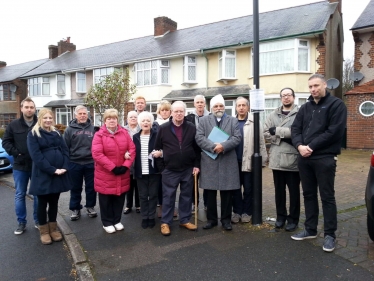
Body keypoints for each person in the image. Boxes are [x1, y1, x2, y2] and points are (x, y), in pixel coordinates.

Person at [291, 74, 347, 252]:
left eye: (316, 85)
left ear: (325, 85)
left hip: (324, 158)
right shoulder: (305, 108)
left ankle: (330, 234)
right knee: (308, 195)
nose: (313, 89)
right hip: (304, 158)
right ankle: (310, 229)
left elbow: (335, 131)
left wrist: (311, 146)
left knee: (327, 197)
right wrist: (299, 146)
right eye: (310, 87)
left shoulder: (336, 105)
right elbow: (295, 129)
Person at [154, 101, 201, 236]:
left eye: (181, 111)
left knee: (186, 196)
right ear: (171, 113)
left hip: (188, 168)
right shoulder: (164, 128)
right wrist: (162, 169)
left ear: (184, 112)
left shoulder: (191, 127)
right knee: (168, 196)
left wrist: (196, 165)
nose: (179, 114)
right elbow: (157, 149)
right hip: (170, 170)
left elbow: (197, 149)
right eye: (176, 111)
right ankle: (165, 222)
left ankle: (184, 219)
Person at [195, 94, 241, 231]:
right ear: (211, 108)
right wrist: (213, 147)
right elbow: (199, 137)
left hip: (227, 160)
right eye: (216, 106)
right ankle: (211, 220)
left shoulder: (233, 121)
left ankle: (226, 220)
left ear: (224, 107)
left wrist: (223, 146)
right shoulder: (203, 121)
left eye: (221, 105)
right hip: (209, 160)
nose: (218, 108)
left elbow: (237, 138)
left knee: (227, 192)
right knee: (210, 193)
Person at [27, 108, 72, 245]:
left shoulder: (57, 133)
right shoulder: (33, 134)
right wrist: (52, 170)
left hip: (59, 173)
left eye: (50, 118)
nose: (48, 120)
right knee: (42, 203)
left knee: (54, 202)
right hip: (43, 174)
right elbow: (36, 156)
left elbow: (65, 150)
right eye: (45, 118)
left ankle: (53, 229)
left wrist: (64, 166)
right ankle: (44, 231)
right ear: (40, 118)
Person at [91, 109, 135, 234]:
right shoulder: (99, 135)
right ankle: (107, 222)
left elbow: (132, 149)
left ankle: (117, 220)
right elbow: (97, 154)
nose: (112, 120)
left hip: (122, 172)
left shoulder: (124, 133)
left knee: (119, 198)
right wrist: (113, 167)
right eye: (109, 118)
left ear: (117, 120)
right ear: (105, 120)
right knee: (106, 200)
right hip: (106, 173)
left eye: (114, 118)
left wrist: (125, 166)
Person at [264, 88, 300, 232]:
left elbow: (299, 132)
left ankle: (293, 219)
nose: (286, 98)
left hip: (293, 159)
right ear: (280, 98)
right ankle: (280, 217)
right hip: (276, 159)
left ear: (293, 97)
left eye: (288, 95)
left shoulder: (300, 114)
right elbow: (266, 133)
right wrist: (283, 137)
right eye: (283, 95)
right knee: (279, 192)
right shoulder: (273, 114)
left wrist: (277, 131)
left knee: (294, 192)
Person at [2, 97, 39, 235]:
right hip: (20, 166)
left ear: (34, 109)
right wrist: (16, 153)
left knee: (37, 195)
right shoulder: (13, 125)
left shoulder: (39, 124)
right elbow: (6, 142)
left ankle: (38, 220)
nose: (29, 109)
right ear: (21, 108)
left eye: (31, 107)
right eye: (27, 107)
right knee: (19, 194)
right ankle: (21, 222)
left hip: (37, 166)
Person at [232, 97, 267, 224]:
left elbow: (261, 142)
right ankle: (237, 212)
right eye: (238, 105)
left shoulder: (254, 121)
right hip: (233, 162)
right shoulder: (231, 122)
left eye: (243, 105)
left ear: (248, 107)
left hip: (249, 162)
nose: (241, 107)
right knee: (235, 189)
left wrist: (262, 161)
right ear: (236, 107)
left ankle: (247, 212)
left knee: (248, 189)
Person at [64, 105, 97, 221]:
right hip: (74, 162)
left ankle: (90, 206)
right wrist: (66, 163)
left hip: (90, 162)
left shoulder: (93, 129)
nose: (82, 116)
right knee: (75, 187)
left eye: (84, 114)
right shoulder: (69, 130)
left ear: (87, 115)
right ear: (75, 115)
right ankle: (75, 208)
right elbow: (65, 148)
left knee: (91, 187)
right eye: (80, 114)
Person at [133, 112, 161, 229]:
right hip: (140, 171)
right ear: (139, 123)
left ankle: (151, 216)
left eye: (148, 120)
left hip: (154, 171)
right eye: (143, 121)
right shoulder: (135, 137)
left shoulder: (157, 135)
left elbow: (163, 148)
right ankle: (145, 217)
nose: (145, 123)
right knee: (143, 196)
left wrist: (160, 153)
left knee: (153, 195)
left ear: (151, 122)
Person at [185, 95, 210, 212]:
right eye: (197, 102)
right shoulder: (188, 118)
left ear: (204, 104)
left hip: (208, 152)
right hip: (193, 153)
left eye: (201, 102)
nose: (200, 104)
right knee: (193, 180)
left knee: (207, 180)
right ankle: (194, 204)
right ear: (194, 104)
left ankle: (207, 204)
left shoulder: (211, 116)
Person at [123, 111, 141, 215]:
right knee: (128, 185)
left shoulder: (141, 129)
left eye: (135, 117)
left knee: (138, 184)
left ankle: (138, 205)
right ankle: (128, 205)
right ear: (127, 118)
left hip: (139, 160)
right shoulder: (123, 130)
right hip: (127, 159)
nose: (133, 119)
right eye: (131, 117)